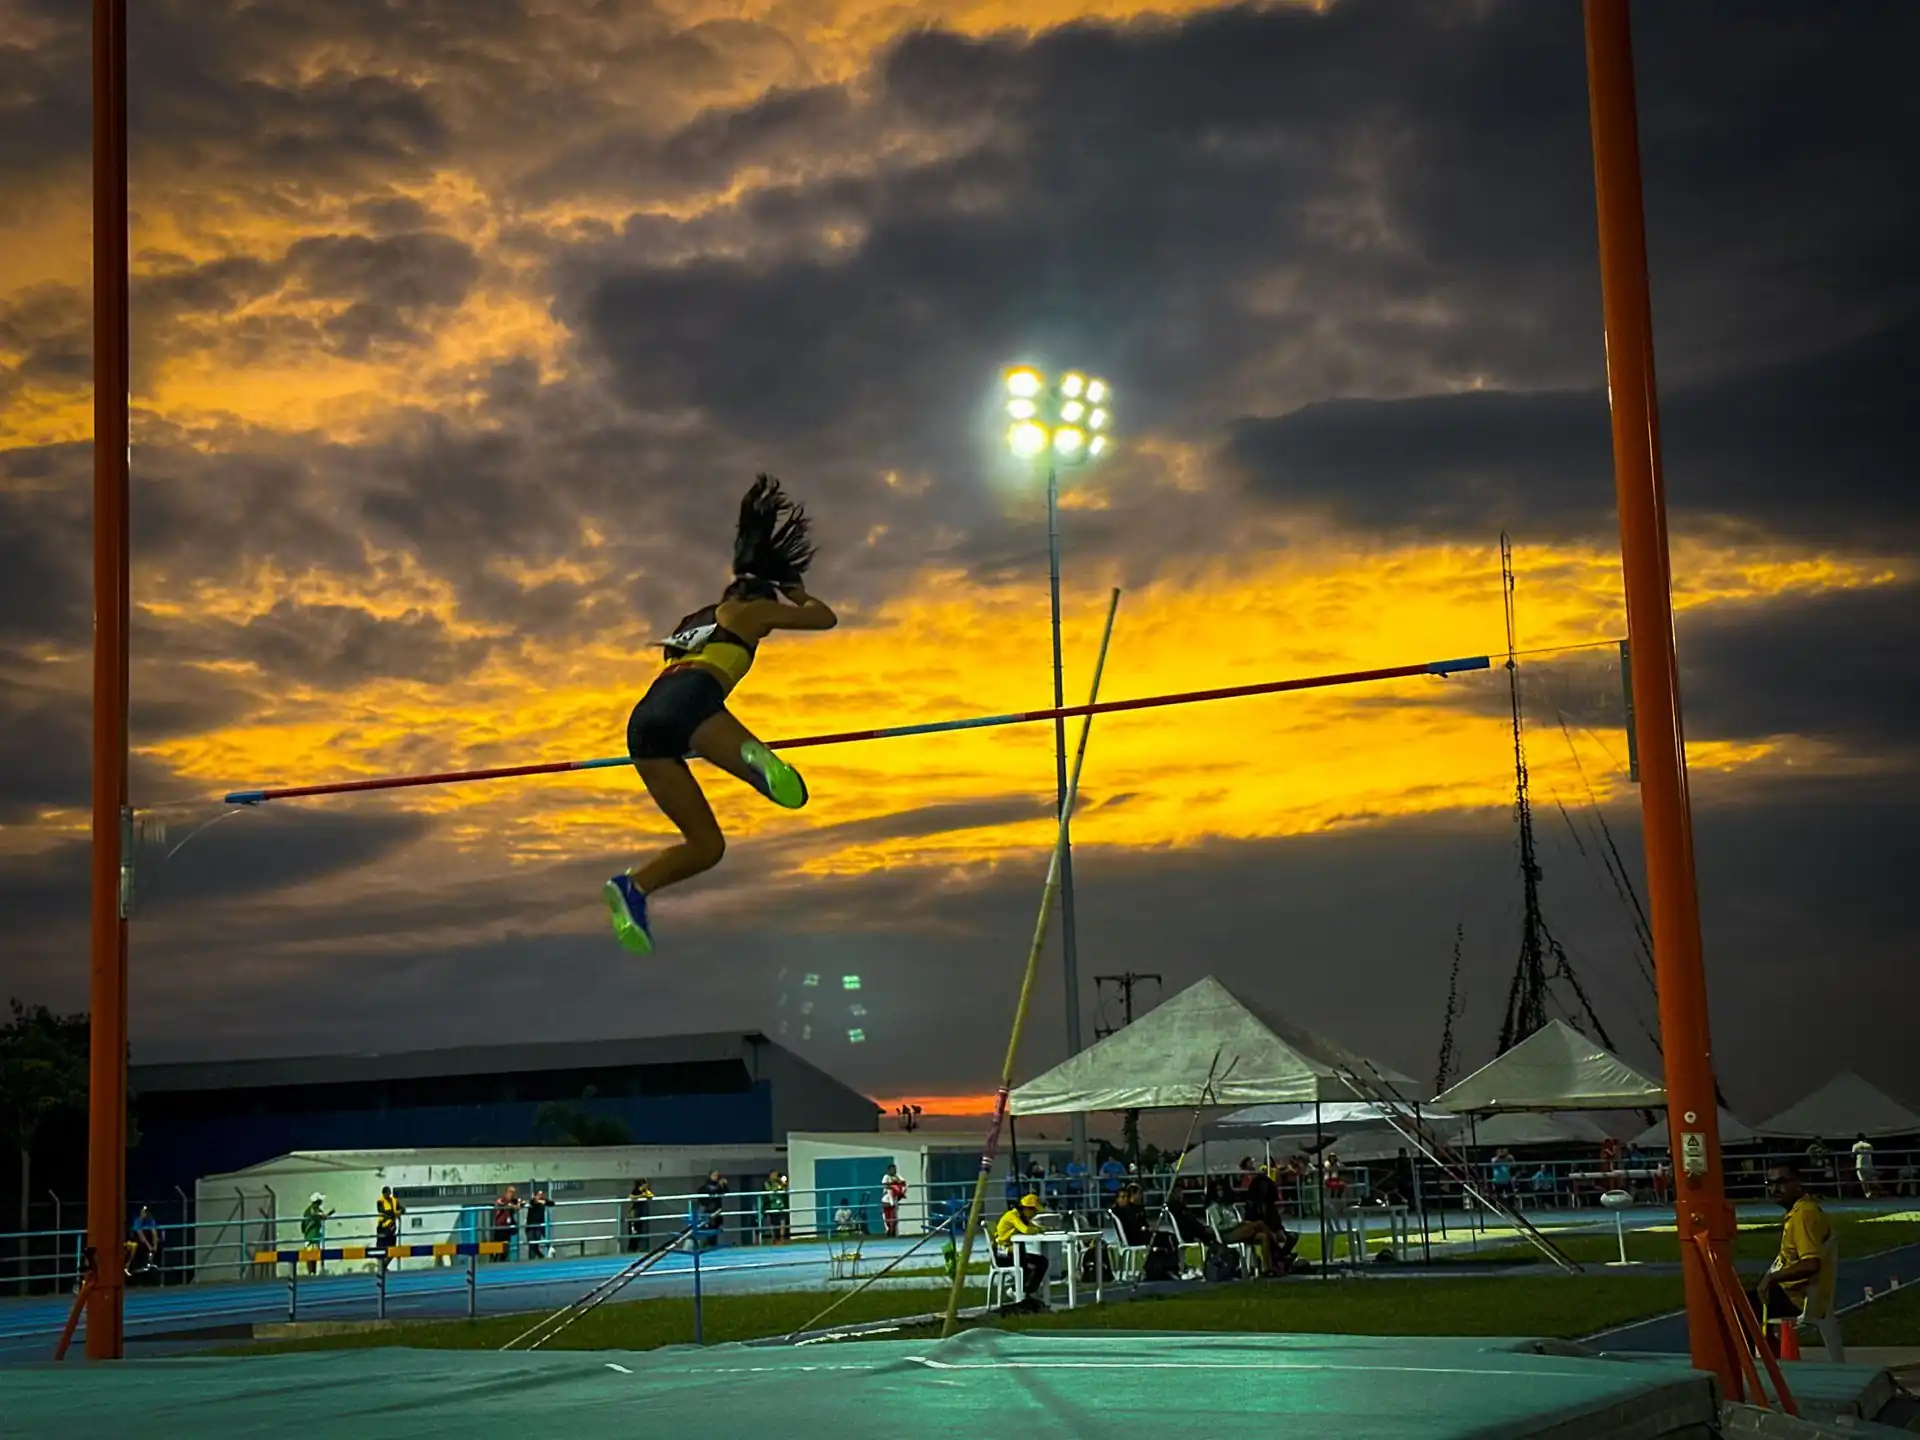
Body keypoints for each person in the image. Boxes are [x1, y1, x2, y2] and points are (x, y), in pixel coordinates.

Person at [604, 477, 837, 955]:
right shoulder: (746, 613)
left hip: (645, 724)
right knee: (775, 780)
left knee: (707, 847)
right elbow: (824, 618)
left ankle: (634, 886)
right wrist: (796, 594)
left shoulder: (693, 621)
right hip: (692, 702)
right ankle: (758, 763)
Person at [1751, 1164, 1845, 1363]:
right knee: (1742, 1299)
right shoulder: (1800, 1211)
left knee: (1734, 1308)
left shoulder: (1804, 1215)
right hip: (1794, 1293)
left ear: (1798, 1183)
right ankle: (1774, 1359)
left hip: (1797, 1299)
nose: (1775, 1189)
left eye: (1782, 1182)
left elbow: (1811, 1264)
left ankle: (1765, 1363)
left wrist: (1771, 1278)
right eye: (1770, 1183)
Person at [992, 1193, 1049, 1309]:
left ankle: (1024, 1291)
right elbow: (1026, 1230)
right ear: (1026, 1208)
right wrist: (1039, 1230)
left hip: (1014, 1252)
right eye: (1033, 1210)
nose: (1034, 1213)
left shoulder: (1023, 1217)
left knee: (1042, 1262)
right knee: (1030, 1264)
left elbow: (1034, 1227)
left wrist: (1042, 1228)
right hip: (1001, 1253)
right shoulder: (1012, 1215)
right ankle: (1016, 1290)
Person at [376, 1186, 402, 1272]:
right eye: (386, 1193)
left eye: (389, 1193)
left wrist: (400, 1212)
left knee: (393, 1249)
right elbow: (382, 1211)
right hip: (382, 1227)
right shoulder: (380, 1201)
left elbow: (402, 1209)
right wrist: (395, 1213)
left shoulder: (394, 1201)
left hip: (391, 1228)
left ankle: (384, 1266)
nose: (388, 1195)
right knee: (381, 1249)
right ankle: (382, 1267)